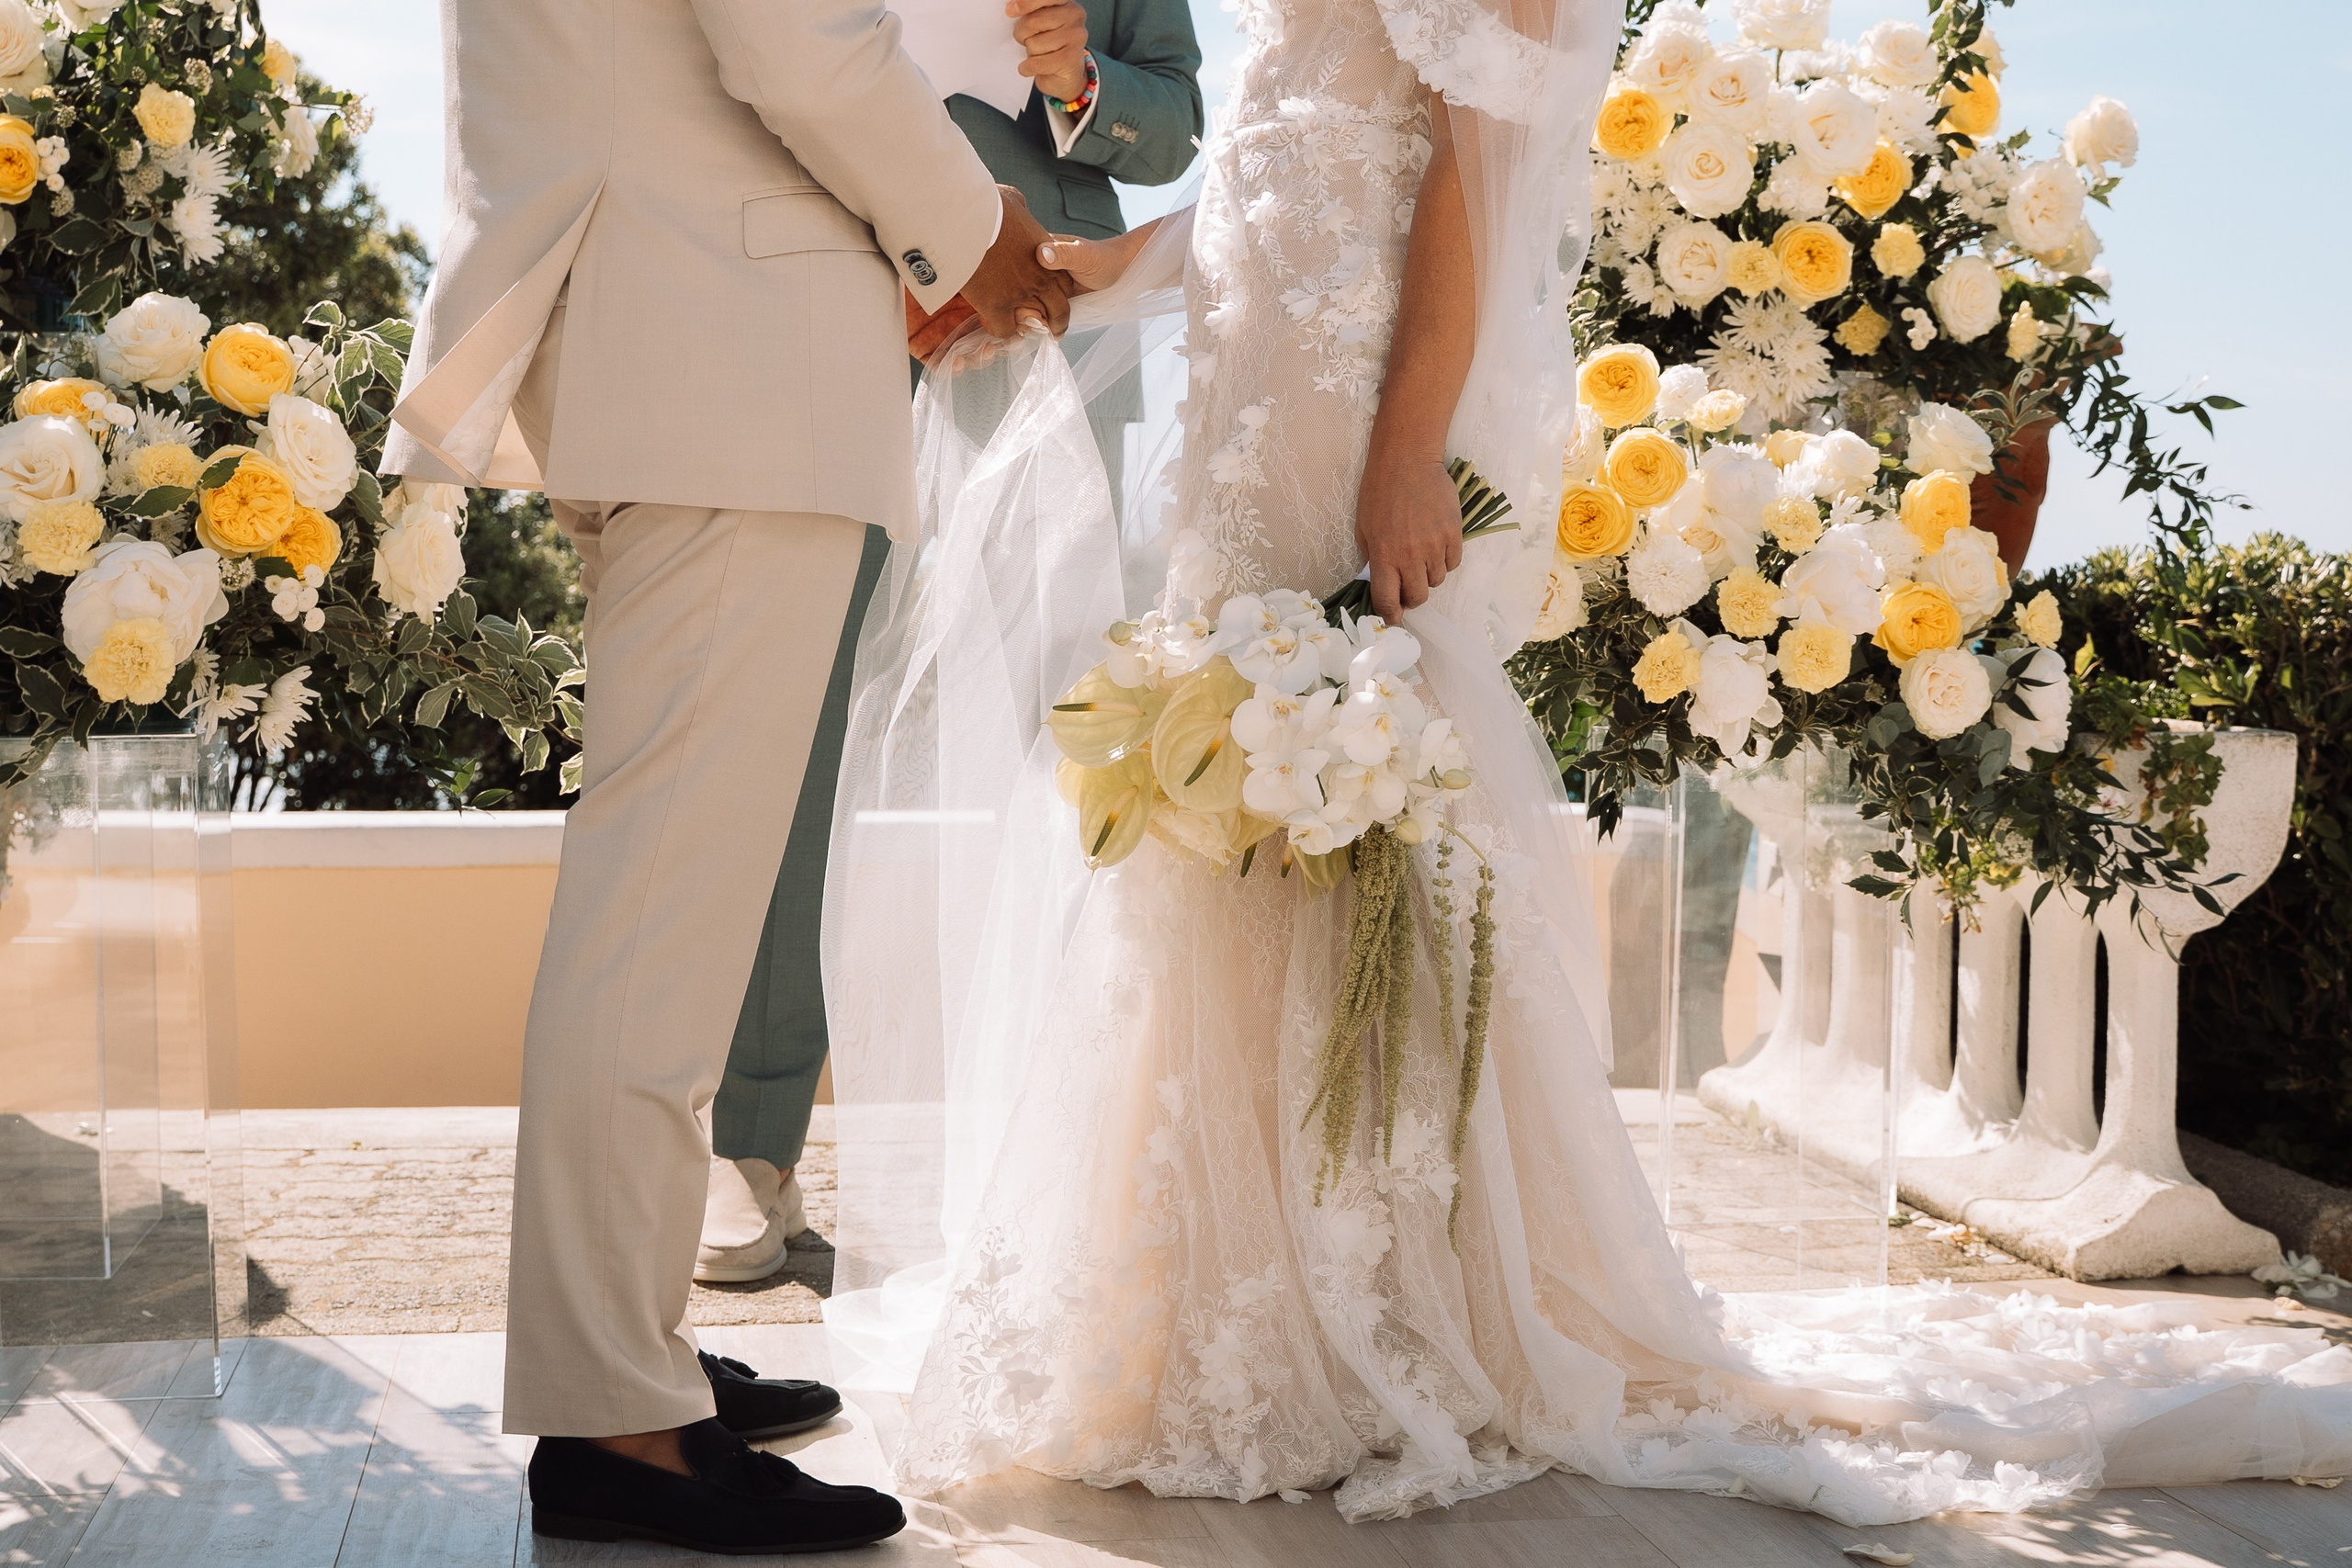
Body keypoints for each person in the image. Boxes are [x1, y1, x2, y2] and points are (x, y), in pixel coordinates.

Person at [819, 0, 2352, 1530]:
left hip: (1352, 399)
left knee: (1331, 765)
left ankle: (1381, 1299)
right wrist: (1104, 267)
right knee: (1238, 783)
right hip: (1254, 377)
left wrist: (1407, 448)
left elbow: (1468, 165)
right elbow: (1286, 161)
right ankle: (1204, 1285)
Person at [379, 0, 1068, 1553]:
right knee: (660, 920)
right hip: (725, 338)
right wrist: (975, 236)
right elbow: (795, 37)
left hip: (667, 320)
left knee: (662, 909)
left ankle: (628, 1356)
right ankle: (619, 1418)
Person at [697, 0, 1204, 1288]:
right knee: (801, 719)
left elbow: (1176, 120)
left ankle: (1088, 1143)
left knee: (1082, 730)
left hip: (1049, 318)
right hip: (833, 301)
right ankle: (749, 1145)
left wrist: (1085, 83)